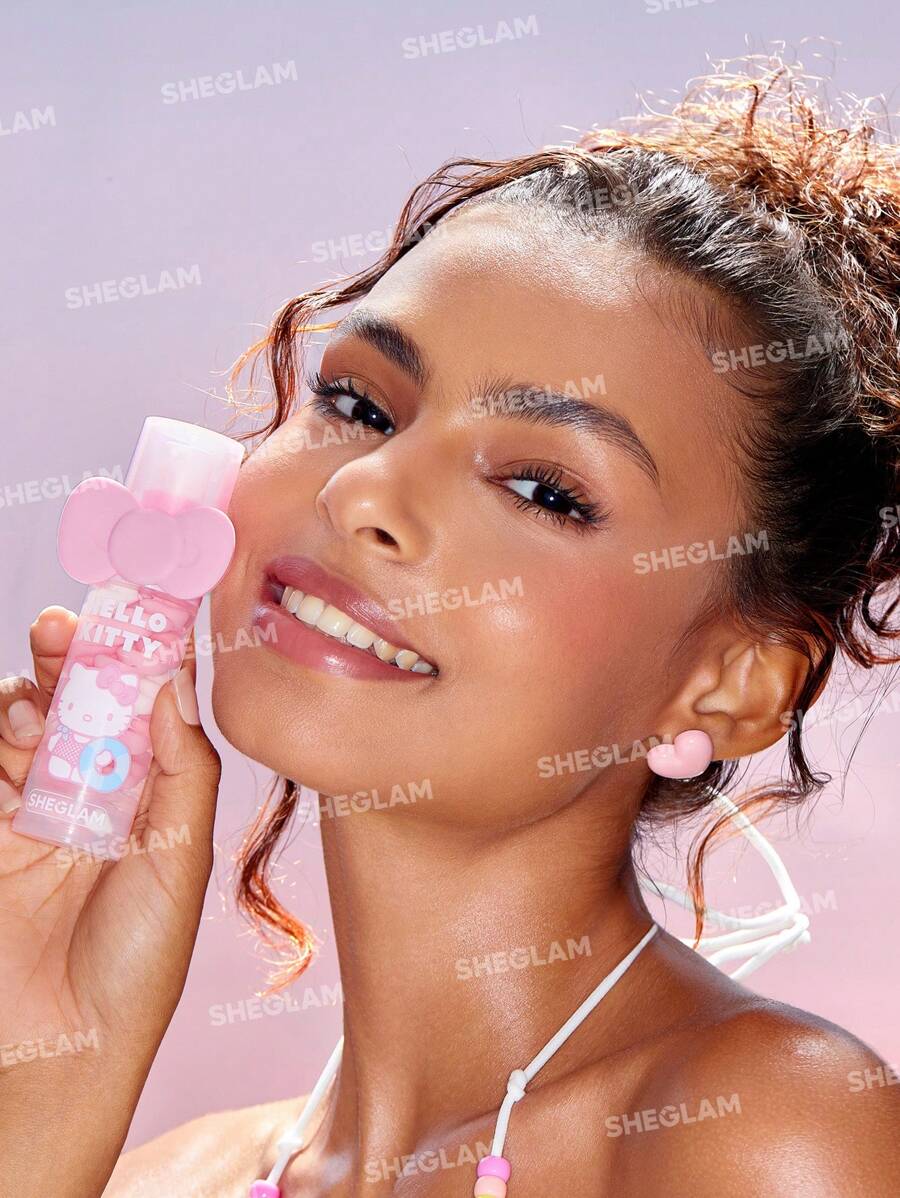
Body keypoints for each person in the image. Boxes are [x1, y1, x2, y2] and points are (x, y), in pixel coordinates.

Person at [1, 56, 898, 1197]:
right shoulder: (166, 1177)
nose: (362, 491)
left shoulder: (765, 1134)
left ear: (733, 683)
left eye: (542, 490)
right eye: (360, 404)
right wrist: (49, 1075)